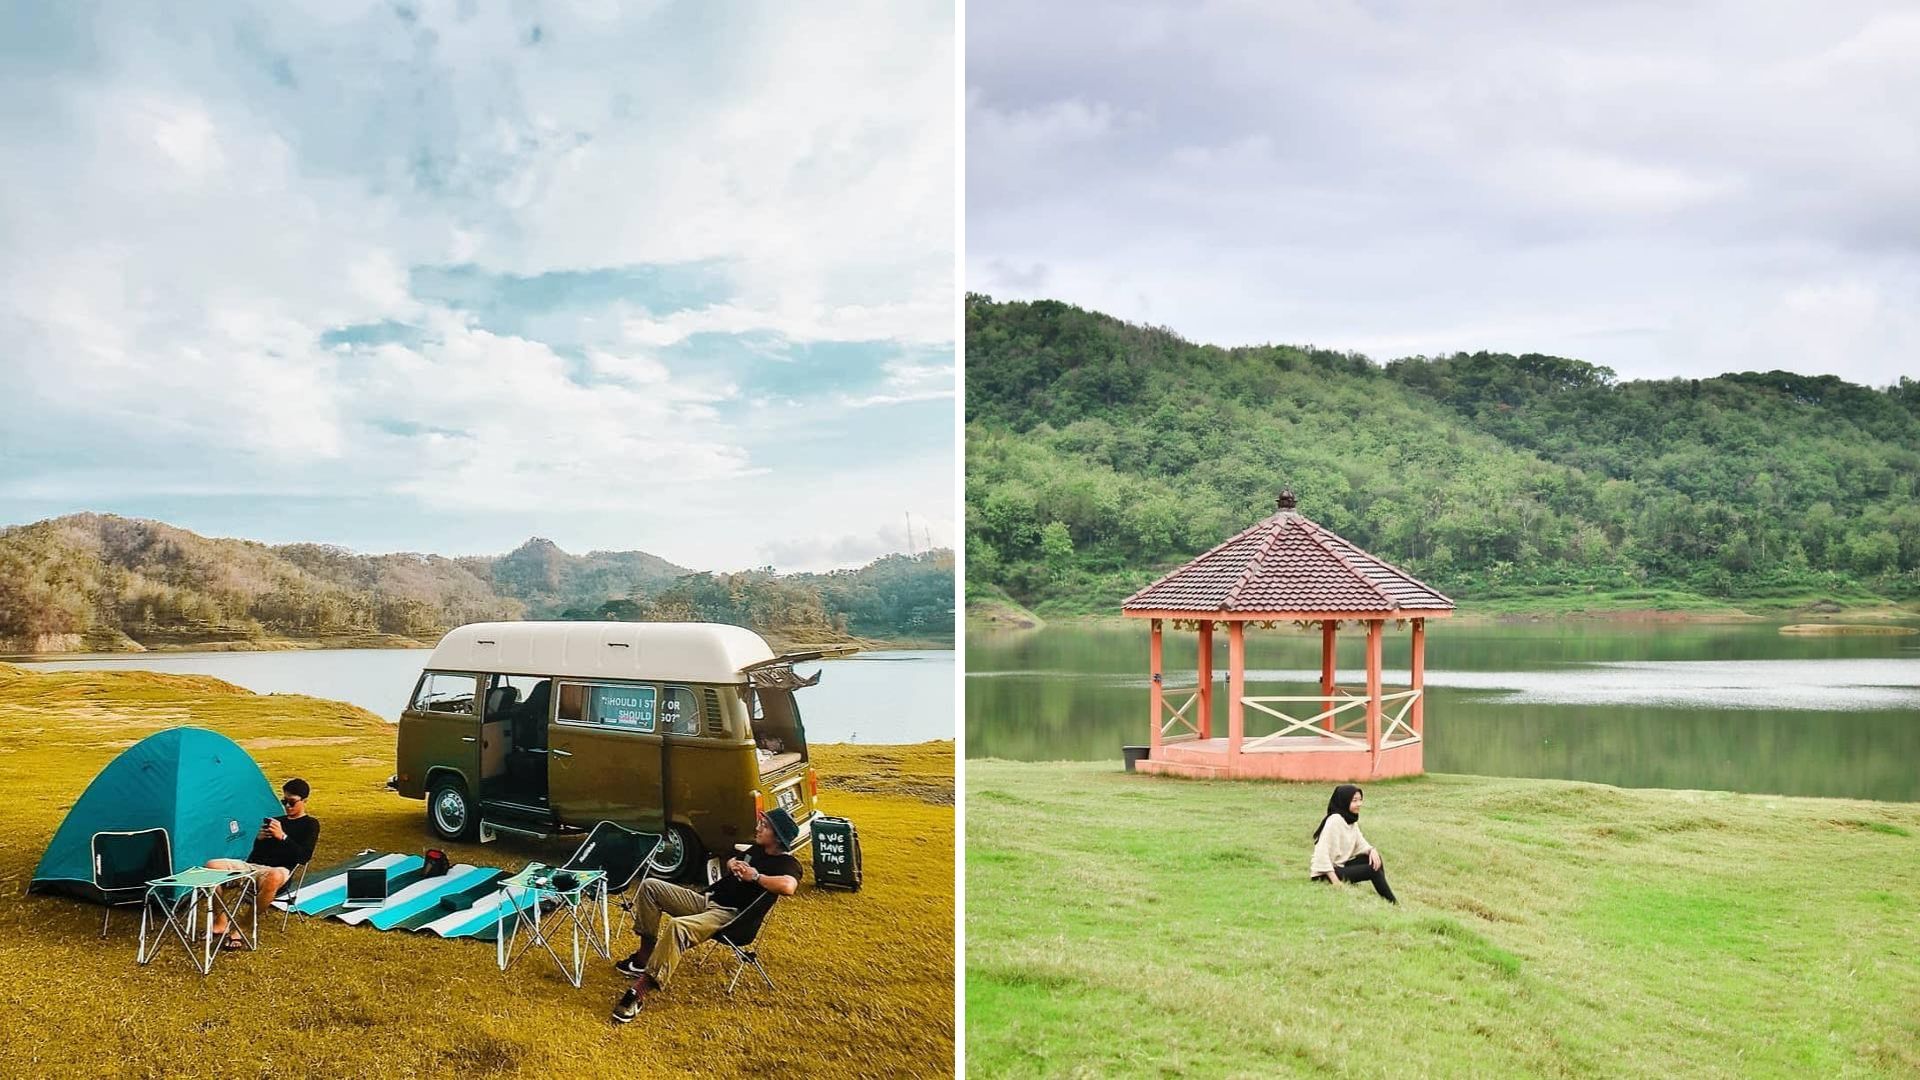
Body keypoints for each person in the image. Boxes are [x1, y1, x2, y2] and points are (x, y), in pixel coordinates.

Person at [610, 808, 803, 1022]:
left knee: (678, 927)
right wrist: (734, 865)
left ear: (777, 837)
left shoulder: (787, 864)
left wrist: (755, 876)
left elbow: (788, 886)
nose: (758, 828)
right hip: (706, 900)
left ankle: (640, 991)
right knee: (650, 886)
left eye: (764, 826)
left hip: (728, 916)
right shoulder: (757, 848)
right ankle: (644, 957)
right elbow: (732, 860)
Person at [206, 778, 321, 947]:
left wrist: (283, 837)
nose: (287, 806)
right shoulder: (275, 821)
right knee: (211, 866)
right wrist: (259, 841)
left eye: (292, 802)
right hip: (255, 868)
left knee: (273, 876)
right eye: (284, 801)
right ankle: (221, 920)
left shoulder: (310, 824)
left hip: (280, 872)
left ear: (304, 801)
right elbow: (254, 859)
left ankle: (242, 927)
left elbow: (303, 857)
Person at [1309, 783, 1396, 903]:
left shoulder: (1350, 821)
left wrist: (1372, 850)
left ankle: (1383, 890)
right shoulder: (1334, 821)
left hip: (1339, 867)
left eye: (1360, 800)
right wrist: (1335, 882)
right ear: (1344, 801)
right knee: (1372, 870)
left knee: (1373, 858)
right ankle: (1393, 903)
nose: (1359, 804)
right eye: (1354, 800)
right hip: (1324, 874)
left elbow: (1361, 843)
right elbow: (1321, 854)